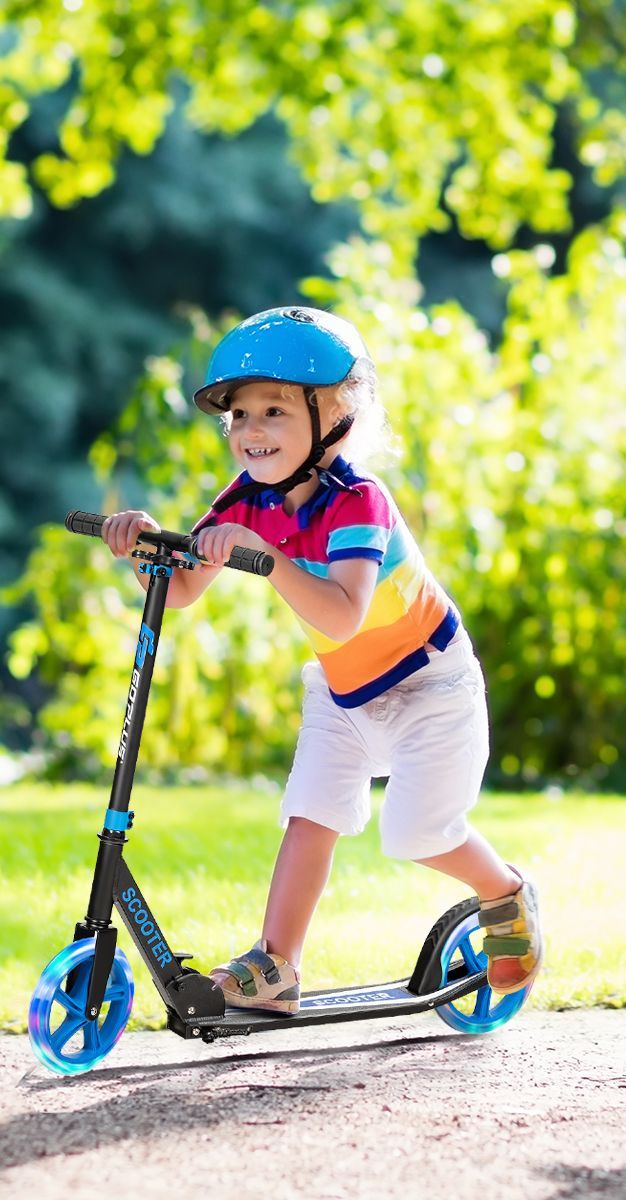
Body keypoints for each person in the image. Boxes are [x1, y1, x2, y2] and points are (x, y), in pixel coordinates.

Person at [100, 306, 542, 1012]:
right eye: (239, 415)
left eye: (274, 410)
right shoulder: (245, 501)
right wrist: (142, 546)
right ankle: (277, 966)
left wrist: (269, 559)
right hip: (344, 691)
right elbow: (179, 590)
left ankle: (505, 892)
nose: (251, 431)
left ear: (334, 415)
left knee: (418, 834)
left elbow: (343, 611)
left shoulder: (358, 501)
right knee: (310, 813)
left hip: (430, 683)